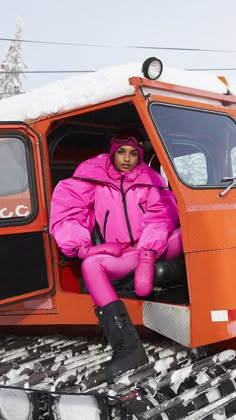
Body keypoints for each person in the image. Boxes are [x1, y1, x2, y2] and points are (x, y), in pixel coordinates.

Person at [49, 131, 183, 383]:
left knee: (190, 231)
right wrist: (83, 248)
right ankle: (127, 346)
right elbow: (68, 212)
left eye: (133, 153)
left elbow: (162, 217)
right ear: (112, 153)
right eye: (121, 152)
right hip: (125, 251)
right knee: (91, 265)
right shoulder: (93, 181)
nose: (127, 158)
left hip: (154, 245)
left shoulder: (150, 181)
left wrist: (147, 254)